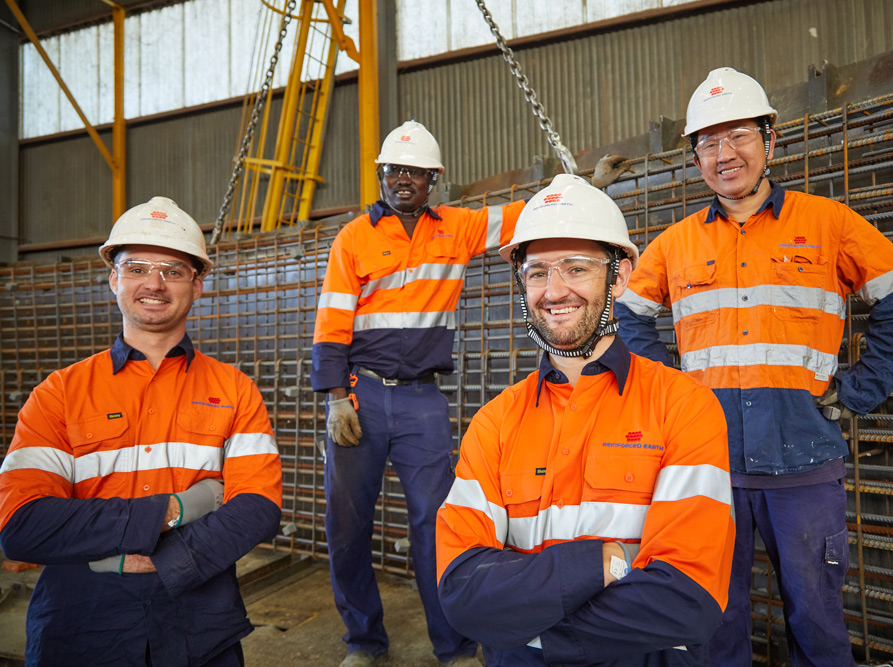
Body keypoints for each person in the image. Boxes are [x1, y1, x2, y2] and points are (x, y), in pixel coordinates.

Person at [613, 68, 893, 666]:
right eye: (708, 142)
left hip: (804, 461)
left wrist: (859, 388)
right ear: (696, 157)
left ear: (770, 142)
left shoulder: (827, 224)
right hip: (709, 468)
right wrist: (673, 390)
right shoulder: (676, 244)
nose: (724, 153)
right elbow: (629, 318)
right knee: (712, 616)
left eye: (738, 135)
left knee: (817, 618)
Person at [435, 174, 736, 667]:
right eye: (536, 273)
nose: (554, 292)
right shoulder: (495, 422)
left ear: (618, 277)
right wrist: (600, 563)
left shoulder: (684, 406)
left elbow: (688, 600)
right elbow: (462, 592)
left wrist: (525, 631)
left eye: (576, 268)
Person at [0, 196, 284, 667]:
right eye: (137, 268)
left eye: (173, 271)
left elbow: (257, 509)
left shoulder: (235, 390)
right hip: (80, 625)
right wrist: (176, 508)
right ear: (114, 278)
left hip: (200, 626)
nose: (154, 283)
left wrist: (155, 559)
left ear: (197, 284)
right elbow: (22, 527)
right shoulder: (59, 394)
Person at [311, 120, 526, 667]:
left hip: (422, 402)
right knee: (347, 524)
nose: (402, 179)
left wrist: (581, 186)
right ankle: (364, 641)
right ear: (381, 174)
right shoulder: (354, 238)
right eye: (393, 170)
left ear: (434, 179)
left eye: (415, 171)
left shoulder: (458, 227)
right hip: (359, 397)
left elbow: (525, 217)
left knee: (437, 523)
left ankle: (451, 645)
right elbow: (332, 321)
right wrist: (335, 396)